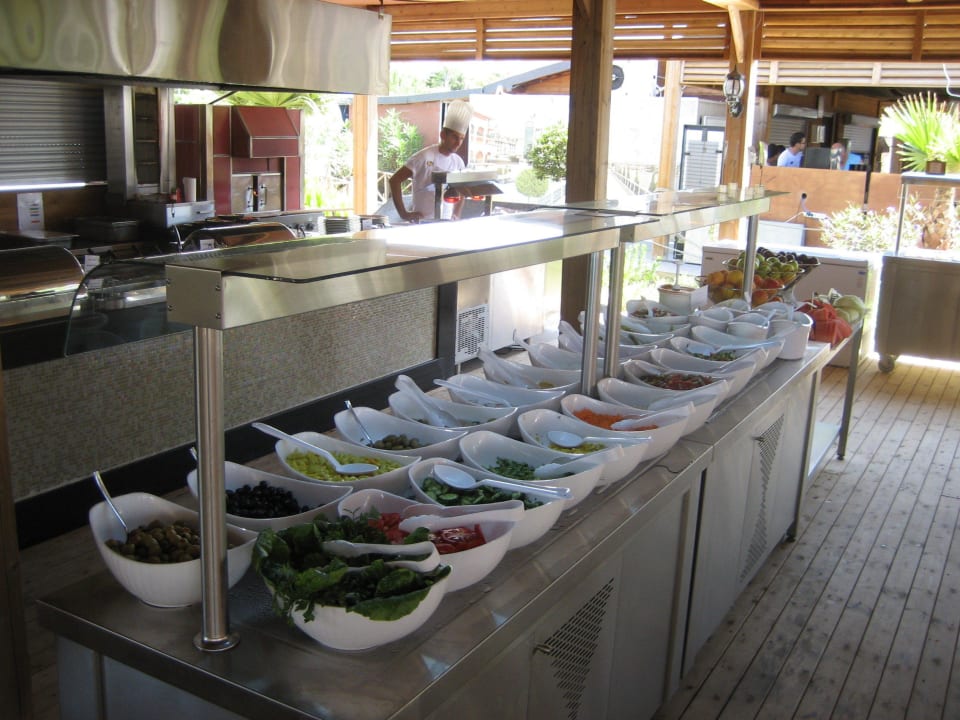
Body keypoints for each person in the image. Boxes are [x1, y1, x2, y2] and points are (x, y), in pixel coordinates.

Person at [389, 100, 473, 223]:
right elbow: (395, 180)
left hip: (447, 223)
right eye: (454, 137)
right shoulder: (424, 157)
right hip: (422, 223)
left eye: (461, 138)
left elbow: (461, 191)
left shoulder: (458, 162)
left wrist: (456, 214)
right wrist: (404, 214)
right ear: (443, 135)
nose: (458, 143)